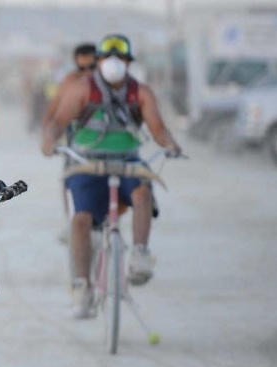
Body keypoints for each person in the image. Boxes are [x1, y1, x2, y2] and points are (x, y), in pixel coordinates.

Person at [41, 34, 182, 319]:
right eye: (107, 57)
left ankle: (140, 254)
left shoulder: (141, 93)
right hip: (87, 163)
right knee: (81, 219)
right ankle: (82, 288)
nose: (114, 63)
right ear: (99, 61)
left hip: (128, 161)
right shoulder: (81, 88)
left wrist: (170, 145)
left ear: (129, 62)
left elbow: (158, 128)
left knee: (143, 192)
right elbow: (58, 121)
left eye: (120, 58)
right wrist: (50, 140)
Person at [43, 43, 97, 243]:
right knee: (68, 179)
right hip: (76, 139)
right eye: (82, 67)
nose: (88, 72)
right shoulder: (71, 81)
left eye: (92, 66)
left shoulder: (108, 83)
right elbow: (54, 109)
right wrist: (48, 136)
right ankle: (71, 221)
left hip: (104, 140)